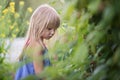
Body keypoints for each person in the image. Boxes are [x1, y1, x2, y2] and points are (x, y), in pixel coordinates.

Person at [14, 4, 60, 80]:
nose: (52, 32)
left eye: (55, 29)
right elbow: (40, 74)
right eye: (49, 28)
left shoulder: (34, 43)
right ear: (39, 25)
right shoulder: (37, 47)